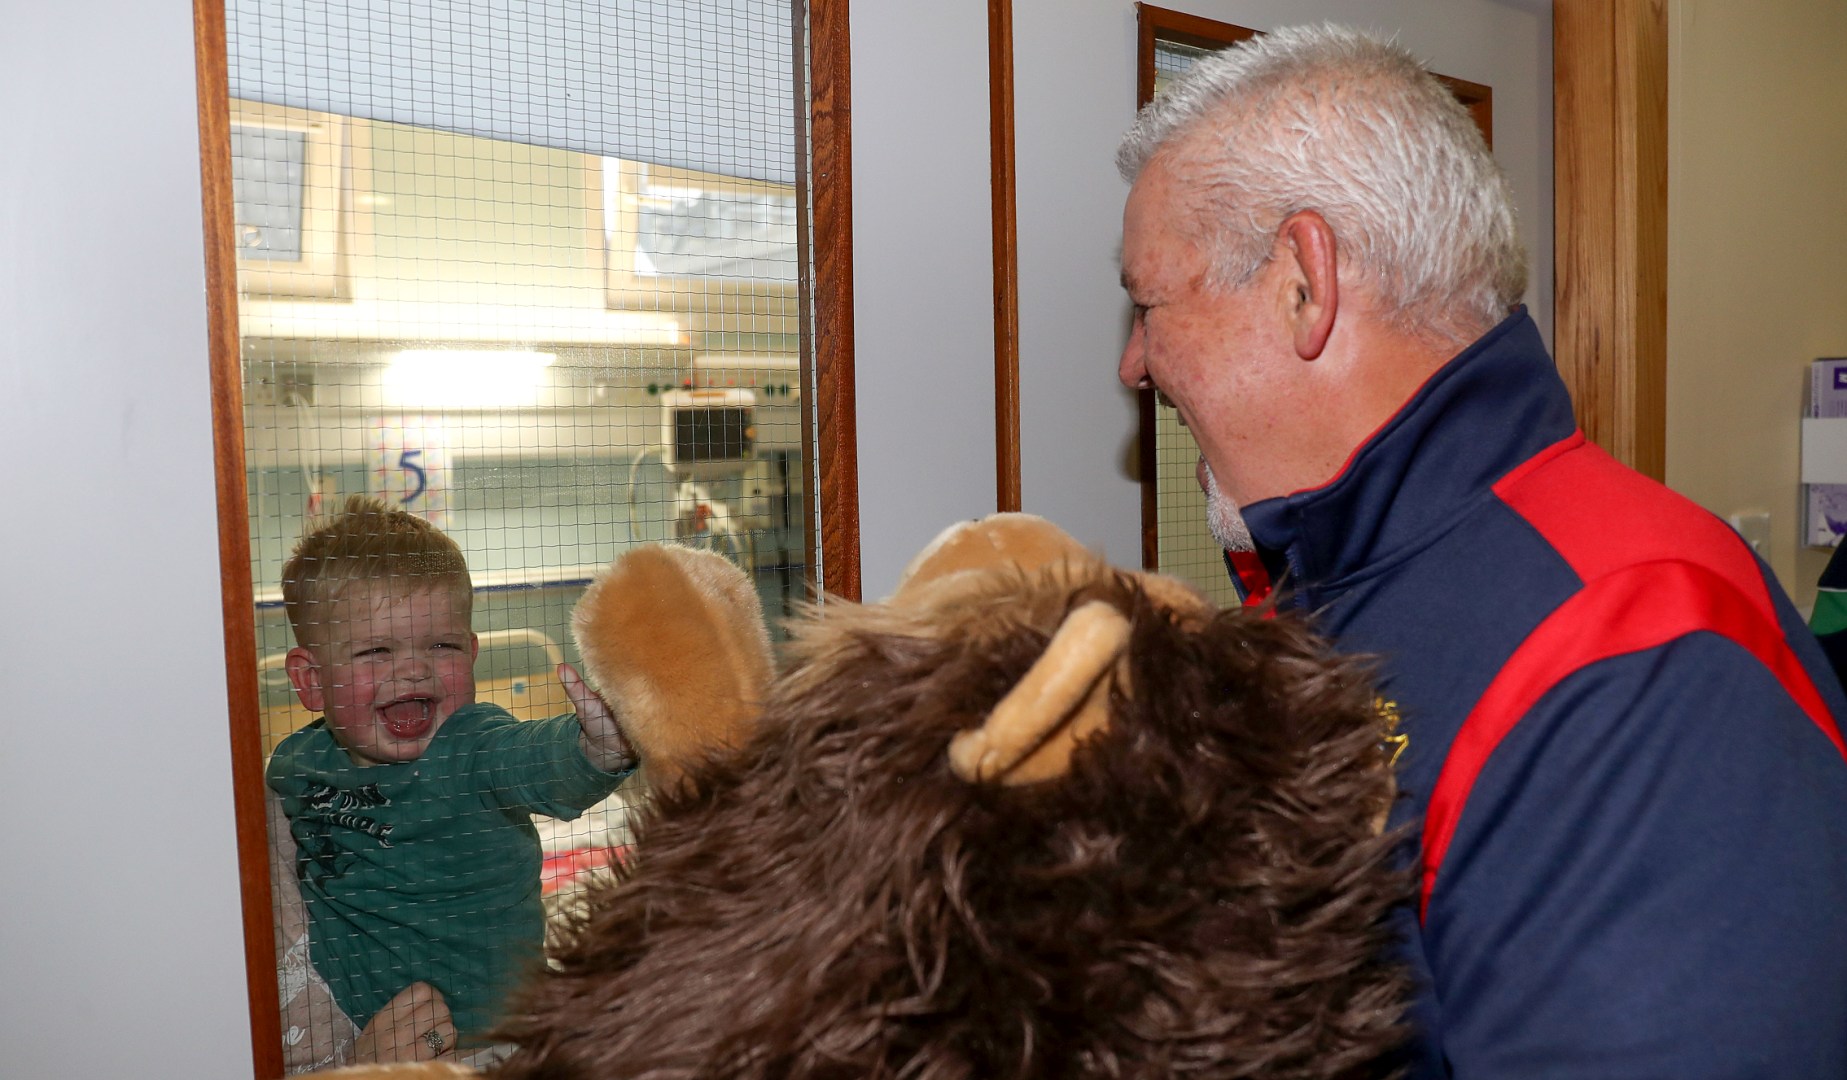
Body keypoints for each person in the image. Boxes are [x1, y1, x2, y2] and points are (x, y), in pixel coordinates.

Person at [1115, 23, 1847, 1077]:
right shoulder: (1332, 588)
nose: (1136, 364)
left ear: (1301, 284)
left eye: (1148, 302)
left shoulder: (1632, 648)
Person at [267, 494, 636, 1062]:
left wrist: (595, 748)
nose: (413, 669)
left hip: (493, 1040)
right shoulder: (294, 766)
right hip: (353, 1042)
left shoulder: (471, 747)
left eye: (441, 646)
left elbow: (535, 760)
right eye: (375, 651)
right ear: (312, 681)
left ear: (472, 652)